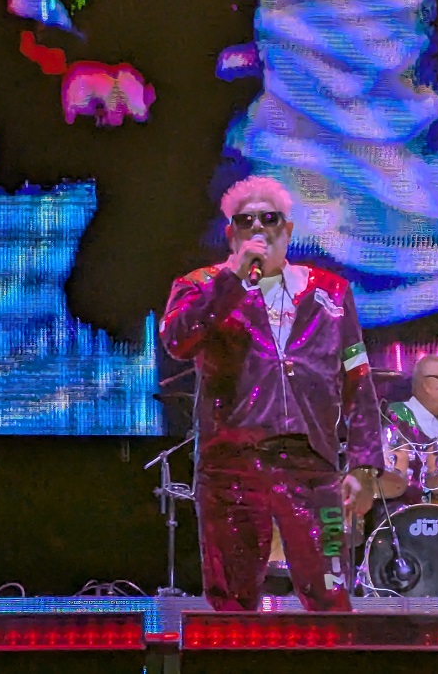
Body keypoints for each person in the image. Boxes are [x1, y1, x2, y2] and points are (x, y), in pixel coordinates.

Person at [160, 175, 383, 612]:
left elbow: (357, 376)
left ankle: (336, 650)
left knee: (331, 592)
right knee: (233, 601)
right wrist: (231, 281)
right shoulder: (201, 285)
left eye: (270, 218)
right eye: (246, 221)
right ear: (232, 234)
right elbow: (177, 341)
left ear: (288, 229)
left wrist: (364, 464)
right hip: (232, 464)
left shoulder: (330, 292)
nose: (259, 227)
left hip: (312, 464)